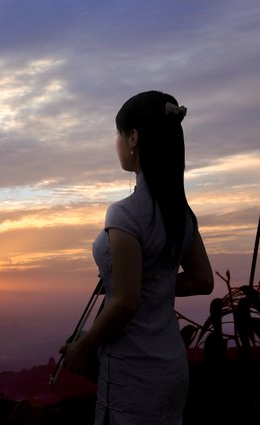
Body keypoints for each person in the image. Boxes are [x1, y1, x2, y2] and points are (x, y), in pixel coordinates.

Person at [60, 90, 214, 424]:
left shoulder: (125, 214)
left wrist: (84, 347)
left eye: (118, 134)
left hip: (133, 369)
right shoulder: (181, 213)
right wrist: (151, 283)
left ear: (133, 137)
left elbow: (126, 302)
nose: (116, 142)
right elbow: (203, 280)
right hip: (171, 365)